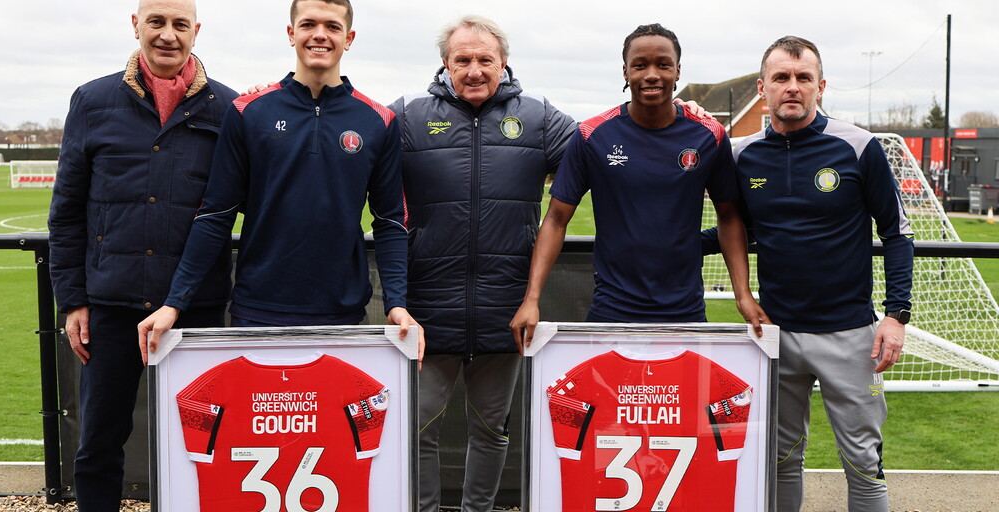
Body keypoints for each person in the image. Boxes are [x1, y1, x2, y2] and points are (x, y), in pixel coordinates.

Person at [138, 0, 421, 354]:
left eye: (332, 27)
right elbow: (214, 215)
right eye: (308, 25)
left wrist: (396, 302)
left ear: (348, 38)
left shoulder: (379, 121)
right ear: (291, 34)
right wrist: (175, 302)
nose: (320, 35)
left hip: (342, 313)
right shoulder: (248, 111)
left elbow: (390, 221)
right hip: (257, 310)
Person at [706, 36, 914, 511]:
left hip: (852, 336)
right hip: (775, 333)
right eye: (781, 78)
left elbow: (897, 235)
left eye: (803, 78)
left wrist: (896, 316)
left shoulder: (858, 146)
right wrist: (655, 243)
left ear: (821, 86)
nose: (792, 87)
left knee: (863, 462)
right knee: (779, 461)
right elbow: (731, 228)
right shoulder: (742, 156)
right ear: (763, 88)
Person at [47, 0, 238, 509]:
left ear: (197, 30)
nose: (168, 35)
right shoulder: (92, 101)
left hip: (196, 310)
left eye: (180, 24)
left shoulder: (228, 108)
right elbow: (66, 214)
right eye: (157, 21)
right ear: (136, 25)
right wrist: (73, 301)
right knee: (98, 445)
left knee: (203, 447)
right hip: (111, 306)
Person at [387, 16, 577, 512]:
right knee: (417, 430)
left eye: (484, 60)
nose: (474, 70)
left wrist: (677, 110)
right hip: (427, 309)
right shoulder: (407, 117)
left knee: (492, 431)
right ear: (445, 65)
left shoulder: (538, 118)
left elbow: (604, 145)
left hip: (506, 309)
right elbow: (351, 135)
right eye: (462, 60)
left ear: (504, 63)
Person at [510, 23, 766, 348]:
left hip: (685, 309)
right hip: (611, 308)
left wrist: (742, 295)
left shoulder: (708, 135)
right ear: (625, 72)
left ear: (677, 71)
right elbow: (556, 219)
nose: (652, 75)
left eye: (663, 64)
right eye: (640, 65)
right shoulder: (591, 135)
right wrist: (532, 298)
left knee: (682, 400)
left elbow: (729, 217)